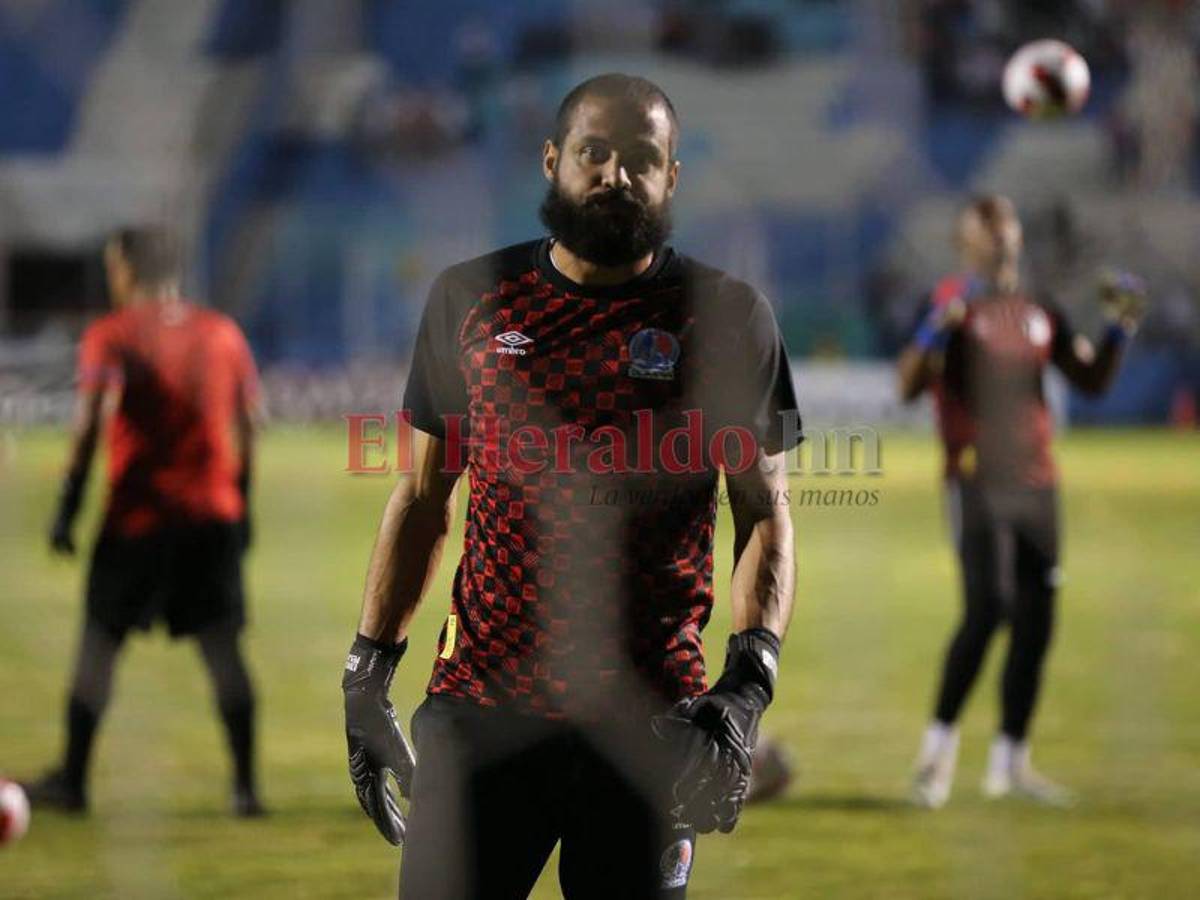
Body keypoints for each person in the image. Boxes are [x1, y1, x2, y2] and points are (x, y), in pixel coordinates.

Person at [341, 73, 802, 899]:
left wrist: (747, 685)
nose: (615, 174)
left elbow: (765, 513)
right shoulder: (469, 299)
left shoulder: (728, 318)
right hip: (481, 710)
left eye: (642, 158)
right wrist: (367, 669)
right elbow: (420, 500)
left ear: (673, 177)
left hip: (650, 723)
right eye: (594, 152)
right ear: (553, 161)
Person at [899, 195, 1145, 808]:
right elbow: (907, 386)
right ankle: (935, 757)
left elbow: (1089, 379)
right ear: (966, 244)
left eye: (1006, 224)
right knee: (989, 608)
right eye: (986, 228)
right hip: (977, 481)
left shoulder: (1040, 310)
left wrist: (1118, 329)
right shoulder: (954, 305)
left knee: (1038, 622)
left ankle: (1010, 766)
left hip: (1039, 484)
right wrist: (933, 333)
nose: (1001, 235)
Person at [24, 226, 265, 817]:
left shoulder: (113, 335)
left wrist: (67, 508)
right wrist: (242, 503)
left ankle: (73, 781)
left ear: (127, 271)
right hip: (211, 518)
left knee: (99, 648)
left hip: (137, 521)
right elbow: (250, 423)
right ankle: (245, 789)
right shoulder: (223, 332)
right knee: (222, 651)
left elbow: (91, 423)